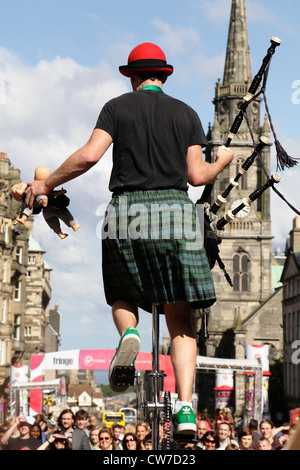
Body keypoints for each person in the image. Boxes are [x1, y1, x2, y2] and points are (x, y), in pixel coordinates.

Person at [25, 42, 233, 435]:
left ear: (132, 76)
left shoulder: (116, 107)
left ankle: (130, 333)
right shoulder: (187, 113)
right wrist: (222, 159)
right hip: (176, 213)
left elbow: (89, 156)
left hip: (128, 210)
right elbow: (197, 177)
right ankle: (185, 409)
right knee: (181, 317)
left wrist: (46, 184)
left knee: (121, 292)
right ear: (164, 76)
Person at [12, 166, 80, 238]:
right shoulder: (28, 194)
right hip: (42, 203)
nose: (18, 187)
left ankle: (70, 227)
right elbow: (22, 210)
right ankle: (42, 204)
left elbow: (52, 193)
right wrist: (18, 219)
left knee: (60, 217)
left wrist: (59, 192)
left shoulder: (35, 186)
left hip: (49, 208)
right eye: (16, 190)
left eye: (18, 185)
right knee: (33, 204)